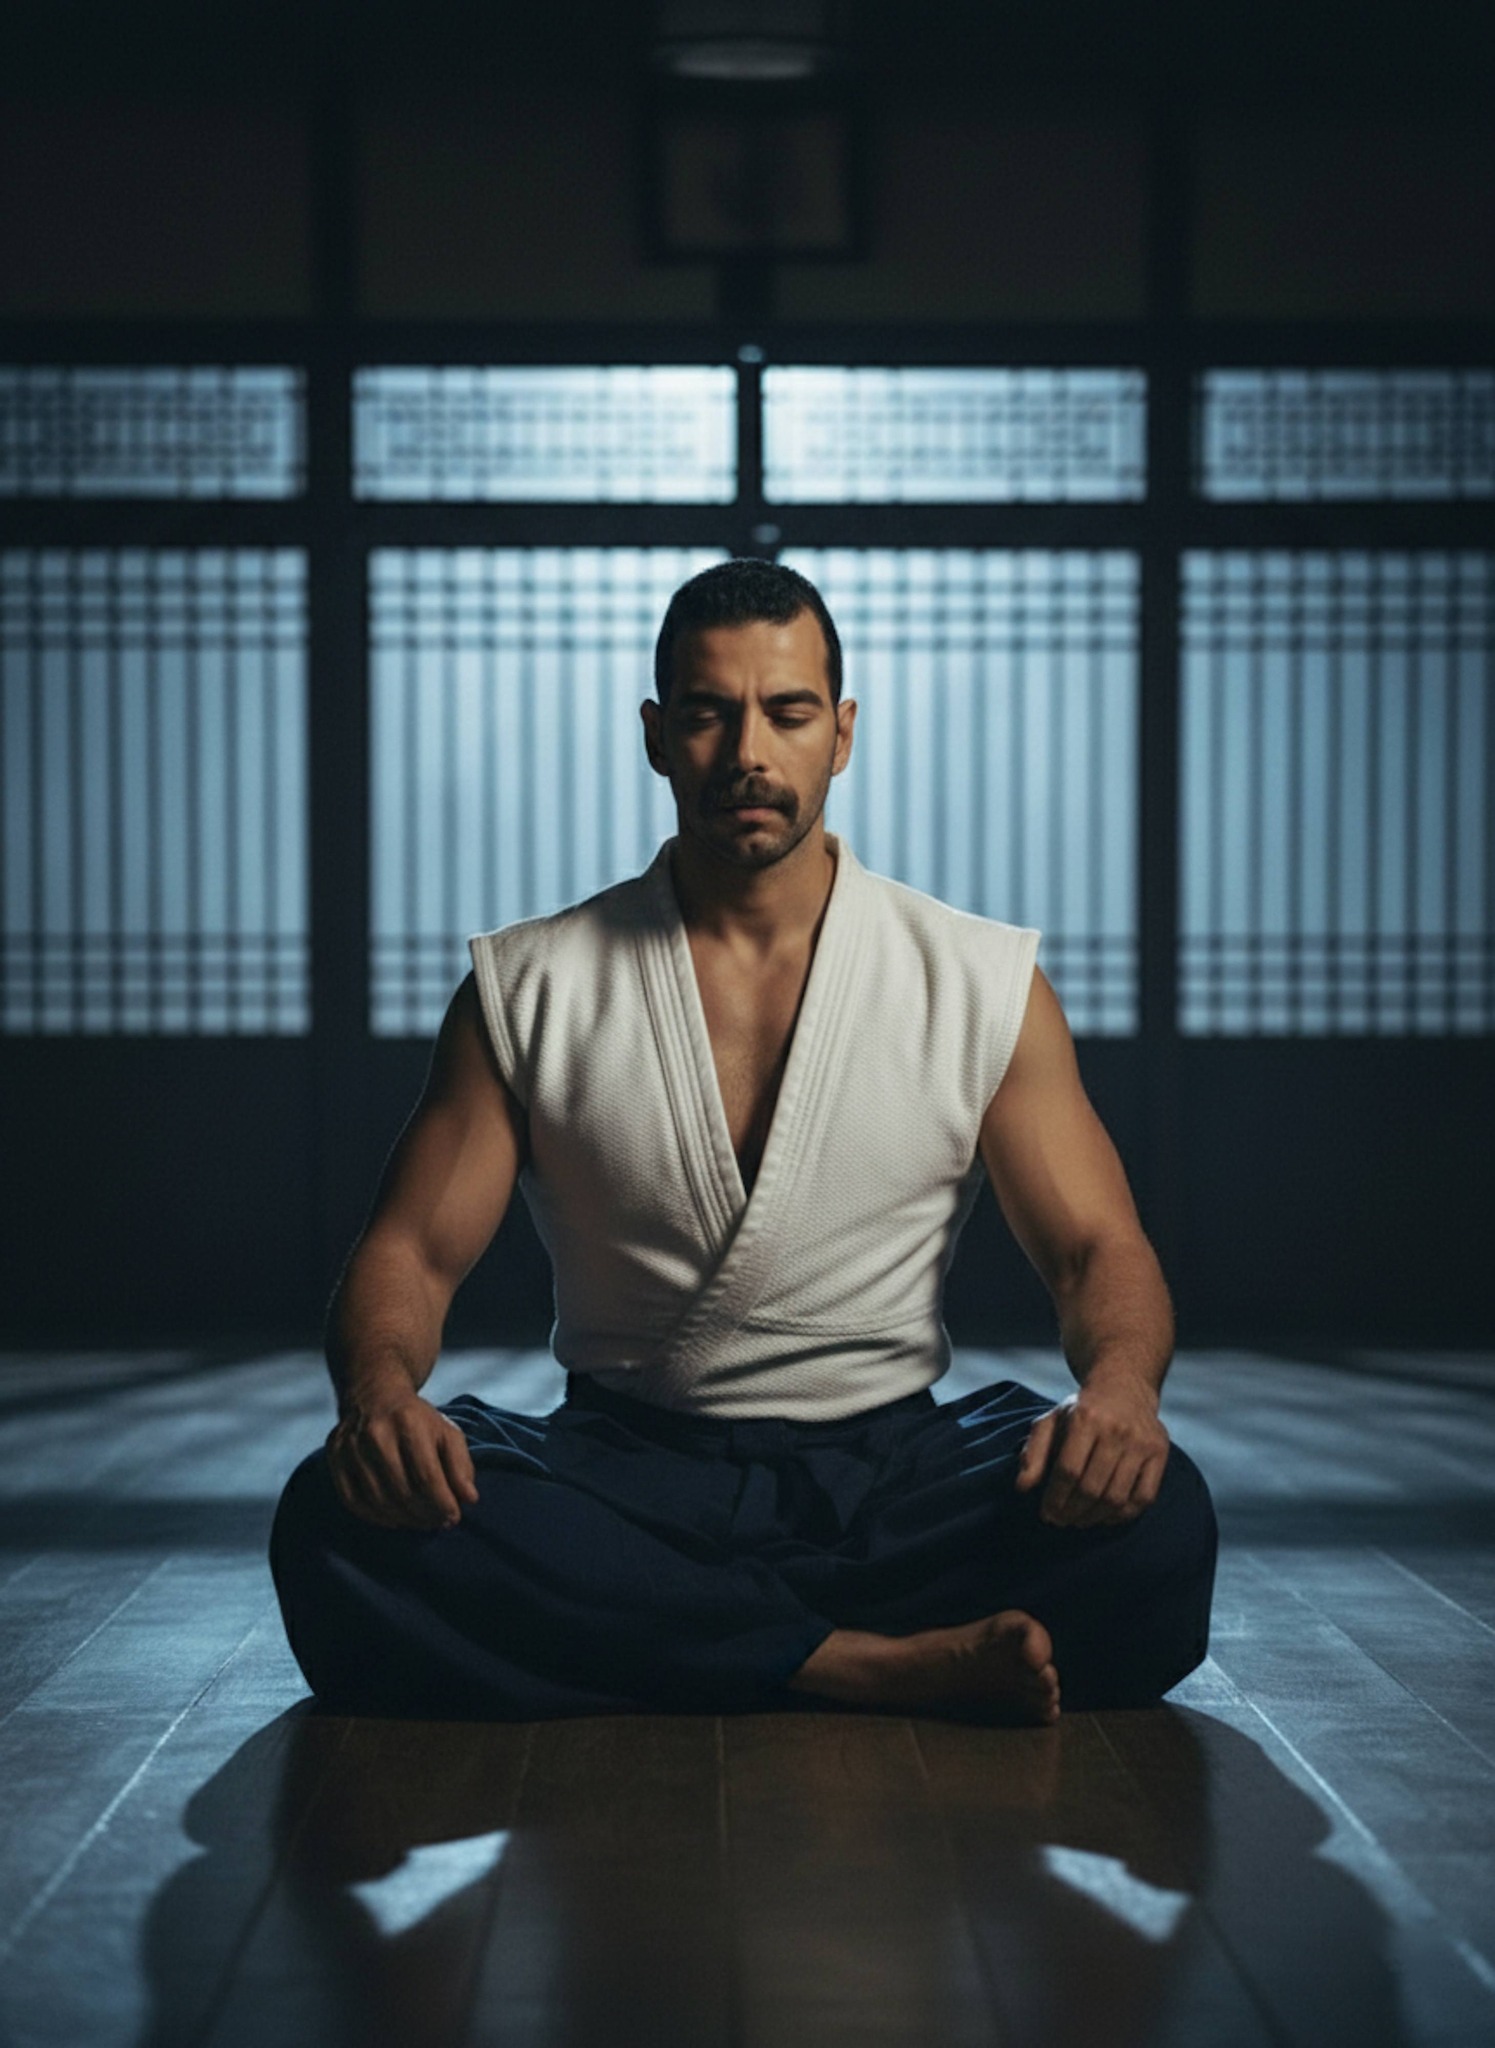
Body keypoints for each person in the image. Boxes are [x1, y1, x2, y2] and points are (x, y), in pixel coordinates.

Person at [270, 559, 1216, 1726]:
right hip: (621, 1472)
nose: (748, 753)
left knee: (1160, 1514)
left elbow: (1092, 1247)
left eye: (788, 711)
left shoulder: (977, 980)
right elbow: (409, 1252)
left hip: (895, 1474)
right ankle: (856, 1662)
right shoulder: (534, 984)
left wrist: (1119, 1392)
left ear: (843, 732)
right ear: (659, 736)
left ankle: (692, 1641)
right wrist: (379, 1399)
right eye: (710, 714)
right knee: (337, 1510)